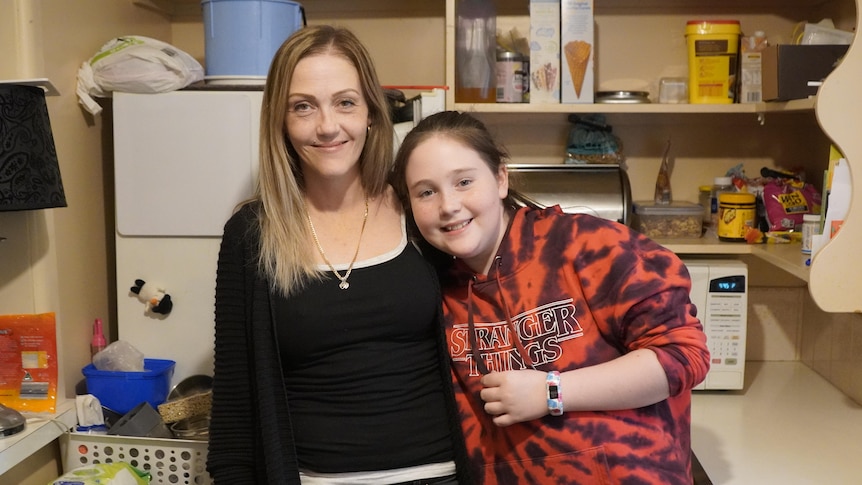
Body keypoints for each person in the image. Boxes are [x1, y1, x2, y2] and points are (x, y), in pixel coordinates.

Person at [207, 27, 471, 485]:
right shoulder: (251, 235)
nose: (327, 126)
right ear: (281, 121)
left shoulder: (419, 210)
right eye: (303, 106)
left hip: (441, 473)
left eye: (345, 102)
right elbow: (234, 403)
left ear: (371, 111)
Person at [390, 111, 711, 485]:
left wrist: (551, 391)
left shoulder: (587, 246)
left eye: (463, 181)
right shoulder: (431, 290)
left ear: (500, 178)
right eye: (426, 192)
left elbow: (683, 355)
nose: (448, 205)